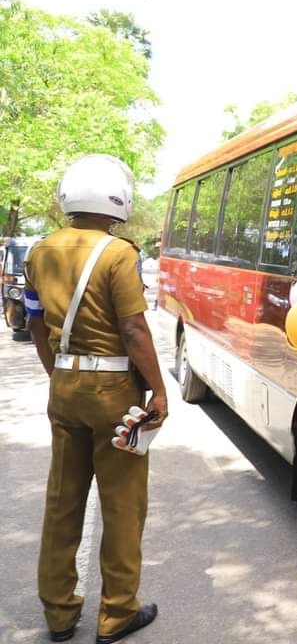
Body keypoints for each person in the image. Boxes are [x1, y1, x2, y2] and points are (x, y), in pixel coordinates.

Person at [25, 155, 167, 644]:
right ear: (117, 202)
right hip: (115, 395)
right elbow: (133, 327)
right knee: (123, 505)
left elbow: (34, 323)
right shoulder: (119, 254)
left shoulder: (39, 252)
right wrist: (160, 390)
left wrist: (59, 375)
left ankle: (59, 613)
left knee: (62, 502)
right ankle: (117, 613)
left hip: (64, 389)